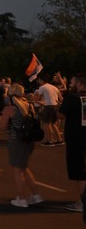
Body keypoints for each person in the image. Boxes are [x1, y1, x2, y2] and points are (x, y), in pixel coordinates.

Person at [0, 83, 43, 207]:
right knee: (24, 168)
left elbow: (1, 127)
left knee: (17, 171)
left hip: (16, 141)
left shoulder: (10, 108)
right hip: (28, 140)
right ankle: (36, 195)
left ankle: (22, 198)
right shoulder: (27, 105)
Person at [58, 73, 86, 218]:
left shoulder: (72, 98)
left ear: (79, 84)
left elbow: (60, 115)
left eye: (72, 82)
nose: (69, 83)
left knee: (80, 171)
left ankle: (83, 202)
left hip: (76, 139)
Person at [34, 74, 64, 146]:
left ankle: (49, 140)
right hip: (55, 106)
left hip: (48, 106)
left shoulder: (42, 87)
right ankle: (59, 139)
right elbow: (61, 99)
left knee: (47, 124)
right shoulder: (55, 87)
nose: (38, 81)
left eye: (39, 80)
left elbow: (38, 99)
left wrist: (36, 100)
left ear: (41, 80)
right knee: (53, 124)